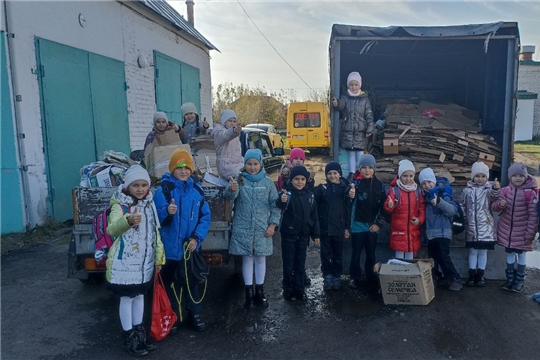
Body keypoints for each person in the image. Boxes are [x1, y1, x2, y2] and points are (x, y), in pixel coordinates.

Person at [106, 164, 165, 357]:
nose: (140, 189)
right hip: (124, 266)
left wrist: (158, 257)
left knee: (140, 297)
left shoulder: (149, 204)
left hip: (143, 265)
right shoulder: (119, 205)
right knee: (126, 299)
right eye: (135, 185)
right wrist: (128, 220)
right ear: (128, 186)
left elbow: (155, 232)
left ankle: (140, 334)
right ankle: (129, 337)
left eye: (143, 185)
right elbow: (112, 230)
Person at [154, 148, 211, 333]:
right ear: (172, 169)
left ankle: (195, 314)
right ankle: (173, 317)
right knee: (170, 285)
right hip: (170, 249)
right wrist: (167, 213)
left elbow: (205, 217)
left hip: (189, 248)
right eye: (179, 168)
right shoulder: (163, 190)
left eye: (187, 167)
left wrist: (196, 238)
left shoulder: (197, 190)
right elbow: (156, 217)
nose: (183, 171)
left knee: (191, 283)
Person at [224, 149, 280, 309]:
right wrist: (232, 189)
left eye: (255, 164)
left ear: (260, 164)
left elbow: (275, 206)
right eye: (249, 164)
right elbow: (229, 197)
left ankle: (260, 292)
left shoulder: (268, 183)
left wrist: (272, 225)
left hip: (262, 228)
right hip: (244, 228)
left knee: (261, 259)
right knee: (247, 259)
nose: (252, 167)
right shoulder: (239, 180)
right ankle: (248, 293)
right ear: (245, 164)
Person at [492, 162, 538, 292]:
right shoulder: (505, 191)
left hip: (522, 232)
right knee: (509, 254)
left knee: (521, 255)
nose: (518, 178)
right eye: (515, 175)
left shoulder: (530, 194)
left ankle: (519, 280)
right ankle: (510, 279)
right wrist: (500, 204)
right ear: (510, 177)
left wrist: (530, 234)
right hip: (507, 232)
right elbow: (494, 207)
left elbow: (533, 216)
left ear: (525, 176)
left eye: (521, 176)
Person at [276, 165, 320, 301]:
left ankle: (299, 289)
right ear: (291, 179)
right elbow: (279, 205)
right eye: (296, 179)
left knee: (300, 263)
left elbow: (314, 216)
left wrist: (316, 234)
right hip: (288, 235)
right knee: (288, 264)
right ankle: (288, 290)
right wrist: (281, 201)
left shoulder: (310, 195)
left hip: (303, 235)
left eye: (302, 179)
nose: (299, 182)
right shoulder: (286, 193)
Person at [419, 168, 462, 292]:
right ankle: (435, 277)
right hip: (431, 234)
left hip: (443, 233)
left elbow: (452, 211)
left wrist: (439, 202)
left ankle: (455, 278)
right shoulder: (424, 197)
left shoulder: (443, 193)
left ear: (433, 181)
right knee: (432, 258)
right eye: (424, 184)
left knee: (443, 257)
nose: (427, 186)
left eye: (429, 182)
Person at [313, 162, 354, 290]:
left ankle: (336, 276)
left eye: (335, 173)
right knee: (325, 254)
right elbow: (310, 196)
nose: (332, 176)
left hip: (339, 228)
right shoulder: (322, 189)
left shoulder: (344, 190)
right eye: (329, 173)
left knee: (337, 254)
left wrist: (347, 227)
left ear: (340, 174)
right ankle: (327, 276)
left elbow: (348, 209)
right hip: (325, 229)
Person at [349, 154, 386, 291]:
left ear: (374, 169)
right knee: (356, 253)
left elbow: (384, 208)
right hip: (357, 226)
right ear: (359, 169)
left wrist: (378, 224)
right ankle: (354, 277)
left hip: (372, 227)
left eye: (370, 167)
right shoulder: (355, 183)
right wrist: (350, 193)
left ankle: (371, 275)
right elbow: (348, 197)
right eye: (363, 167)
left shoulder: (380, 186)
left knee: (371, 254)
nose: (367, 170)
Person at [462, 161, 500, 287]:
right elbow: (462, 205)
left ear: (487, 177)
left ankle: (480, 275)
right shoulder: (467, 190)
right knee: (473, 252)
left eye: (483, 176)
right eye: (477, 176)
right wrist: (462, 218)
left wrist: (495, 188)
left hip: (485, 227)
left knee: (483, 252)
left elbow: (495, 197)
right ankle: (471, 275)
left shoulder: (488, 190)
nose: (480, 179)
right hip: (471, 227)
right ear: (472, 176)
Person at [332, 71, 374, 180]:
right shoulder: (345, 97)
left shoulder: (365, 99)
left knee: (360, 153)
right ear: (348, 86)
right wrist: (337, 103)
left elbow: (369, 114)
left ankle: (360, 172)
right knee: (351, 153)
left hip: (360, 131)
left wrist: (370, 128)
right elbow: (341, 105)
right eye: (351, 85)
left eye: (356, 84)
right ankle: (351, 173)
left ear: (359, 85)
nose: (354, 87)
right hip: (348, 131)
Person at [384, 159, 426, 259]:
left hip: (413, 229)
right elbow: (389, 206)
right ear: (400, 176)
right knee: (399, 253)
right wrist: (389, 205)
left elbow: (422, 208)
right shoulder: (394, 190)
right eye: (405, 176)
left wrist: (420, 219)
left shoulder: (417, 191)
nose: (408, 179)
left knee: (410, 251)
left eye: (411, 176)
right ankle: (399, 273)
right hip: (398, 229)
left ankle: (408, 273)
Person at [208, 109, 244, 179]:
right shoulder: (219, 133)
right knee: (242, 175)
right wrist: (234, 131)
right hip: (225, 166)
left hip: (237, 164)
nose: (232, 123)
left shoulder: (235, 135)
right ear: (224, 121)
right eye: (229, 121)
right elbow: (226, 136)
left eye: (234, 121)